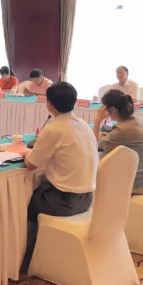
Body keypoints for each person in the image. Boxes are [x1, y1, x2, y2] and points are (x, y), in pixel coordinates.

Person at [23, 82, 98, 268]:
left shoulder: (53, 129)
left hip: (64, 202)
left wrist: (24, 153)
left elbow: (31, 165)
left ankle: (29, 257)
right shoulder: (84, 125)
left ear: (49, 104)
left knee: (27, 202)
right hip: (87, 199)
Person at [93, 90, 143, 195]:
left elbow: (94, 145)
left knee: (98, 174)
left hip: (142, 184)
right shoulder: (140, 121)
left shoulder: (121, 131)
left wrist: (98, 120)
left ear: (112, 109)